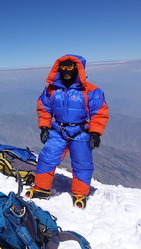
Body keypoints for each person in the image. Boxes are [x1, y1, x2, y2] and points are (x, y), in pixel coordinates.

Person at [26, 54, 109, 209]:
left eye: (70, 68)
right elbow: (44, 107)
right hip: (58, 130)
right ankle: (42, 189)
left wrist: (95, 132)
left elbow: (99, 112)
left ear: (78, 69)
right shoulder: (51, 89)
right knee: (47, 158)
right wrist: (44, 126)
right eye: (63, 68)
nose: (66, 72)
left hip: (81, 131)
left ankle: (80, 194)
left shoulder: (91, 90)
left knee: (82, 163)